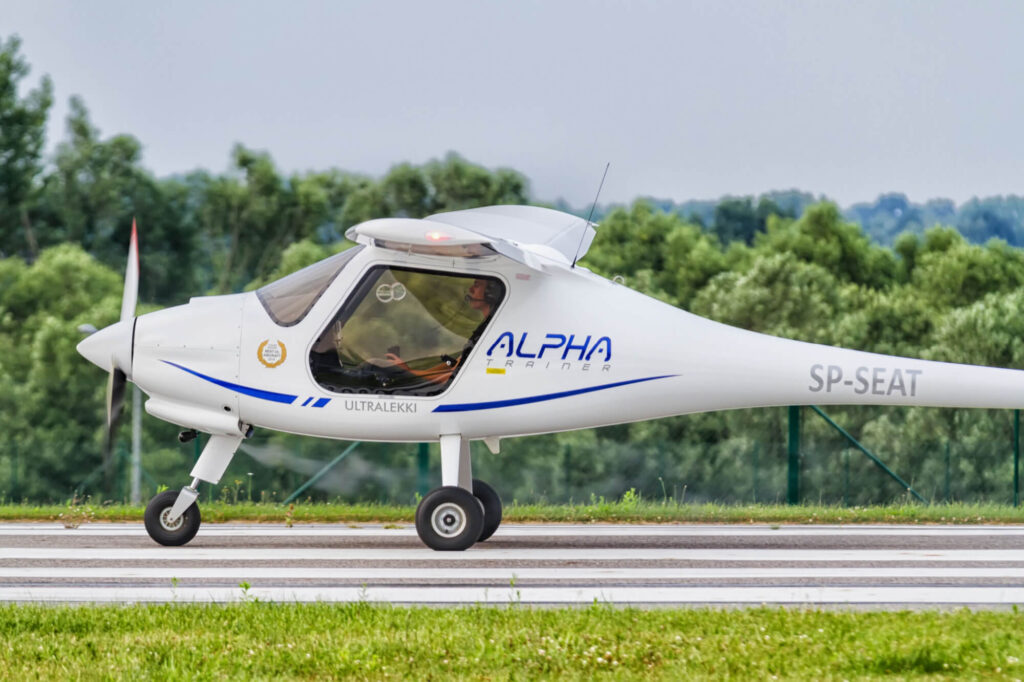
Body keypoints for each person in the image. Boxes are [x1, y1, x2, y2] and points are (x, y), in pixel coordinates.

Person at [383, 278, 499, 385]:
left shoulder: (491, 333)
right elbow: (456, 365)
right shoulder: (486, 328)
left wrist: (408, 373)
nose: (471, 289)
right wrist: (410, 371)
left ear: (491, 293)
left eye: (477, 285)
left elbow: (452, 377)